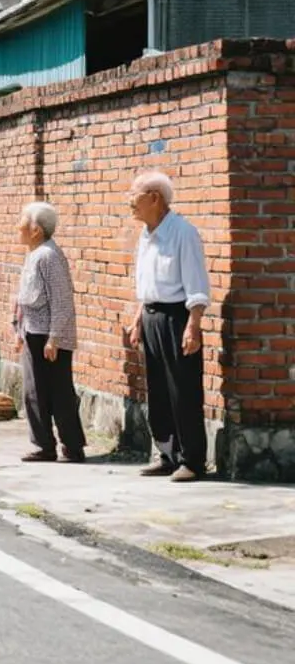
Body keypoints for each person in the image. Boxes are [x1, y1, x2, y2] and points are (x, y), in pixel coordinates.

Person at [127, 170, 212, 482]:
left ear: (154, 198)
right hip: (151, 316)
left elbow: (197, 284)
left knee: (183, 390)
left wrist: (194, 325)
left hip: (177, 316)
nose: (129, 202)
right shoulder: (147, 234)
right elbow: (147, 284)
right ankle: (167, 454)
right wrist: (138, 319)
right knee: (158, 390)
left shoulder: (182, 233)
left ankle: (192, 460)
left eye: (134, 195)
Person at [12, 202, 86, 463]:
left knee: (58, 392)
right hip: (34, 332)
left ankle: (72, 447)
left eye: (23, 220)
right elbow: (25, 297)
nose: (18, 225)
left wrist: (54, 337)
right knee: (34, 392)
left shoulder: (49, 256)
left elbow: (62, 300)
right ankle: (44, 445)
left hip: (49, 337)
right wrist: (19, 330)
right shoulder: (35, 253)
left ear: (35, 230)